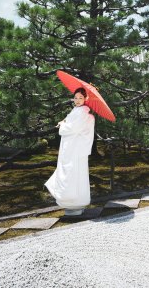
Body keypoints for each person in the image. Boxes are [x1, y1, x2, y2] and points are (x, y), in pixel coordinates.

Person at [44, 87, 96, 216]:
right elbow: (70, 122)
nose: (77, 100)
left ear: (86, 99)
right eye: (75, 98)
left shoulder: (83, 111)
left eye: (80, 98)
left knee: (74, 173)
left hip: (76, 148)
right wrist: (63, 122)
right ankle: (74, 202)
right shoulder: (77, 110)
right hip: (73, 147)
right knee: (72, 172)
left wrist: (63, 126)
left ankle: (75, 203)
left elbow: (74, 127)